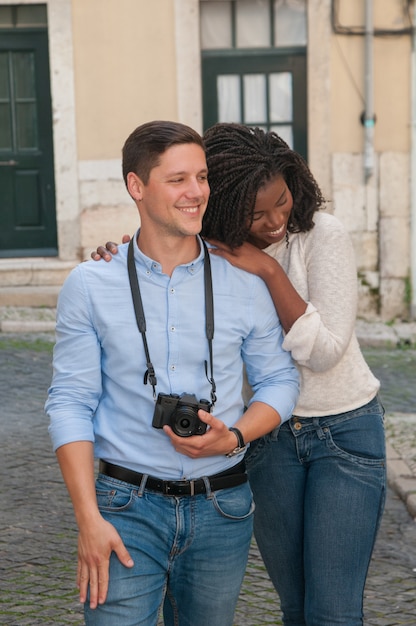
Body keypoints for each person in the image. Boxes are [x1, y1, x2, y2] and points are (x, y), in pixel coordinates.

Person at [95, 122, 386, 626]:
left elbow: (324, 353)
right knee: (294, 606)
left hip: (343, 431)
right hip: (264, 436)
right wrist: (121, 255)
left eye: (282, 200)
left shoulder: (321, 235)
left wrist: (268, 270)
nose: (275, 220)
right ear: (228, 206)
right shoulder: (210, 248)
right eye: (256, 213)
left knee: (334, 612)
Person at [45, 120, 299, 626]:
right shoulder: (90, 284)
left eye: (202, 177)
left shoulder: (245, 281)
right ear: (136, 186)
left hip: (223, 507)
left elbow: (280, 381)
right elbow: (70, 402)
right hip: (124, 507)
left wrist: (235, 437)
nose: (196, 192)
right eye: (178, 179)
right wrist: (88, 517)